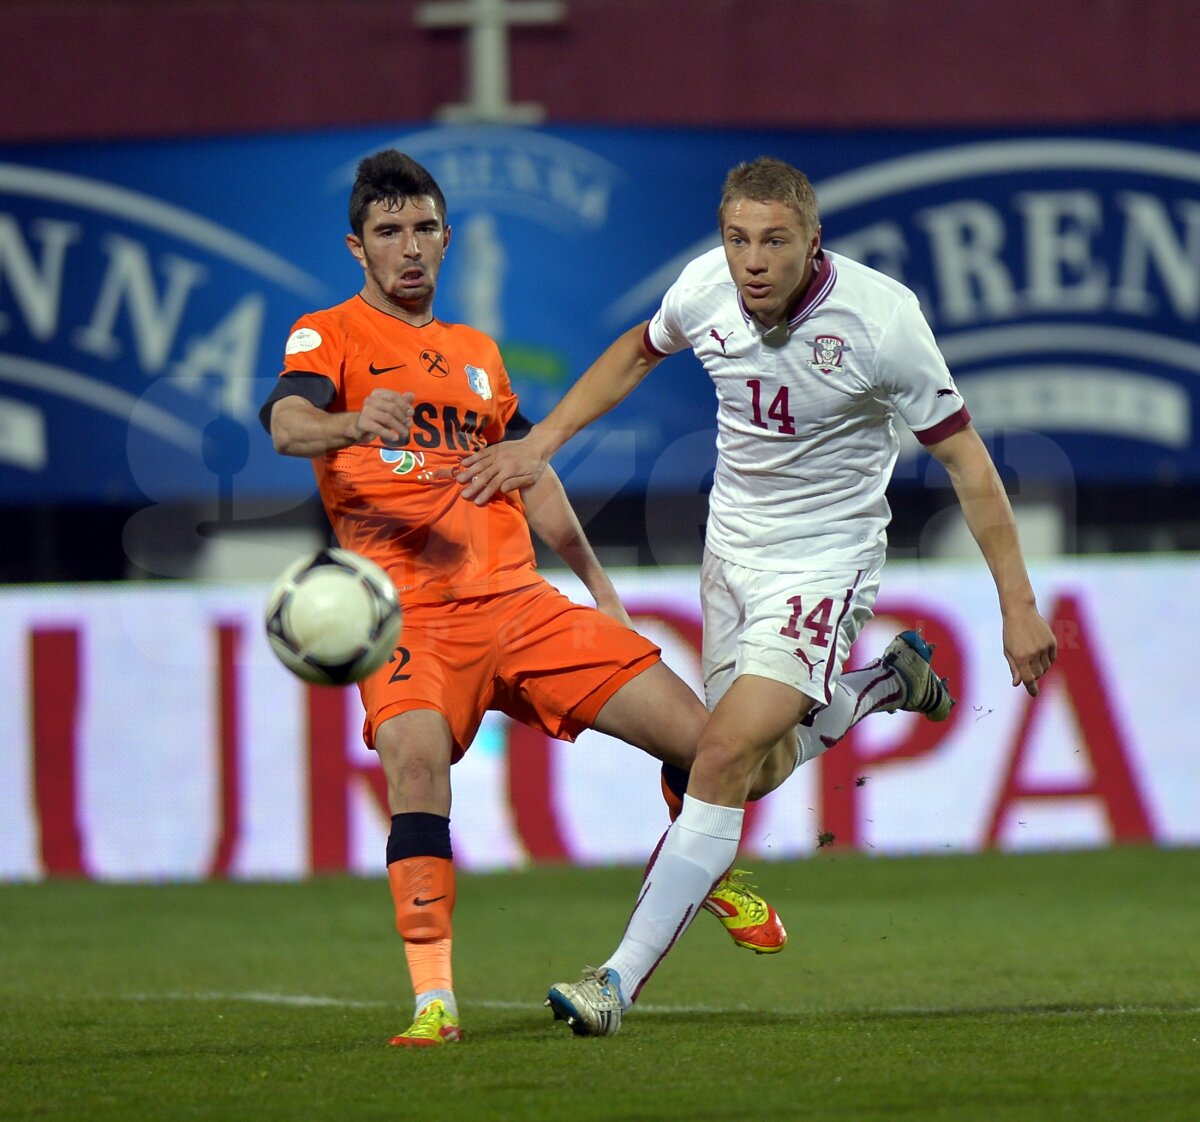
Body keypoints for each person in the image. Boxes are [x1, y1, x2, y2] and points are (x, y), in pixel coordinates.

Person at [458, 156, 1059, 1036]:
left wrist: (1018, 604)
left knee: (724, 753)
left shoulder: (883, 321)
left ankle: (614, 983)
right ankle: (885, 684)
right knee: (748, 765)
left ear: (815, 243)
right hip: (730, 552)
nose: (753, 261)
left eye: (775, 241)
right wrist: (541, 442)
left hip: (825, 564)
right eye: (739, 239)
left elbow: (967, 461)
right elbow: (636, 350)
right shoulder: (705, 288)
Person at [258, 149, 793, 1048]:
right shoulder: (328, 335)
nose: (410, 248)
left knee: (707, 740)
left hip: (519, 603)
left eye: (424, 228)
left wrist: (597, 586)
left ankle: (703, 872)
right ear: (358, 247)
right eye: (388, 233)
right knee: (417, 770)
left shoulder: (477, 354)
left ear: (447, 238)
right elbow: (285, 425)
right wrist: (354, 421)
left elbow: (526, 472)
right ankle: (434, 999)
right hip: (407, 619)